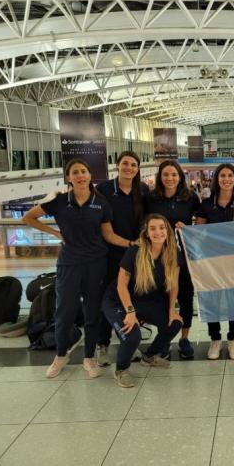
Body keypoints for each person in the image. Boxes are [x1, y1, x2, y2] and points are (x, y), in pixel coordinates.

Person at [22, 158, 132, 379]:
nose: (80, 175)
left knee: (92, 313)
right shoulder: (59, 202)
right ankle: (61, 355)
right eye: (75, 172)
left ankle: (89, 357)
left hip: (96, 264)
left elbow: (108, 235)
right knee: (64, 312)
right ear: (69, 177)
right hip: (69, 264)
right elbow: (29, 217)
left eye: (83, 171)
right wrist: (55, 233)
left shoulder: (101, 203)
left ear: (90, 175)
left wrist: (132, 244)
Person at [101, 214, 183, 388]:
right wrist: (130, 313)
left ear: (167, 231)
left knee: (174, 323)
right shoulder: (135, 251)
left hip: (144, 300)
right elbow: (121, 286)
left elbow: (174, 284)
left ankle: (149, 357)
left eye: (161, 227)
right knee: (132, 336)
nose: (158, 232)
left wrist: (172, 309)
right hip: (117, 300)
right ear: (146, 233)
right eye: (152, 228)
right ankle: (121, 370)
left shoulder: (173, 252)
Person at [94, 151, 149, 367]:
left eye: (133, 165)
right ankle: (102, 345)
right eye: (125, 164)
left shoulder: (142, 190)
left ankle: (128, 341)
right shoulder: (104, 190)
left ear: (138, 168)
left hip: (135, 255)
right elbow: (100, 225)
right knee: (107, 301)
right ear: (117, 166)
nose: (129, 168)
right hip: (110, 255)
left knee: (131, 299)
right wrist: (130, 244)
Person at [196, 163, 234, 360]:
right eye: (222, 176)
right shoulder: (206, 204)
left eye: (230, 176)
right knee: (213, 301)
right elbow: (198, 232)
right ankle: (215, 339)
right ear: (216, 179)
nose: (226, 179)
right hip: (212, 262)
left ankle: (233, 339)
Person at [145, 159, 200, 359]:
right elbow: (144, 223)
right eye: (166, 174)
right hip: (158, 255)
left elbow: (200, 225)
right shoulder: (151, 198)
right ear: (160, 177)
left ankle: (184, 338)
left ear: (180, 177)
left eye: (174, 175)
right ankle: (164, 339)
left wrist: (188, 229)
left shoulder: (190, 197)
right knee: (161, 296)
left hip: (183, 255)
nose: (170, 178)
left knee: (185, 295)